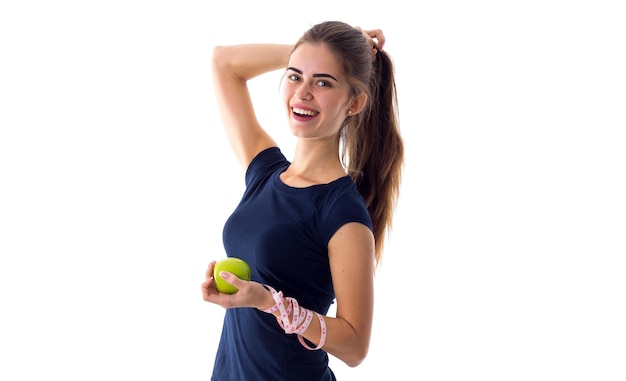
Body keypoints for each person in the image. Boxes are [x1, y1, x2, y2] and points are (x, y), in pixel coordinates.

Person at [201, 20, 404, 380]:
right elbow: (223, 63)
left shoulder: (343, 213)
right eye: (296, 76)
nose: (302, 93)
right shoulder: (264, 171)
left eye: (323, 82)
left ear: (354, 102)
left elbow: (356, 347)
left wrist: (270, 303)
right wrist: (308, 56)